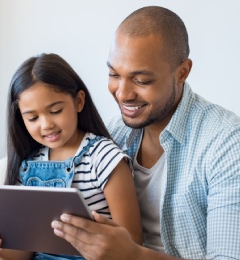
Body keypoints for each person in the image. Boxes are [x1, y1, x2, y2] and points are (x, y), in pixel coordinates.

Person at [51, 6, 240, 260]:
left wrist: (133, 256)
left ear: (182, 72)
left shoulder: (226, 142)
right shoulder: (113, 135)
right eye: (114, 74)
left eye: (141, 80)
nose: (123, 94)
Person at [0, 53, 142, 259]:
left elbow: (132, 244)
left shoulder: (104, 157)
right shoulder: (28, 165)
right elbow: (25, 253)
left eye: (56, 111)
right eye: (33, 117)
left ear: (79, 101)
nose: (46, 124)